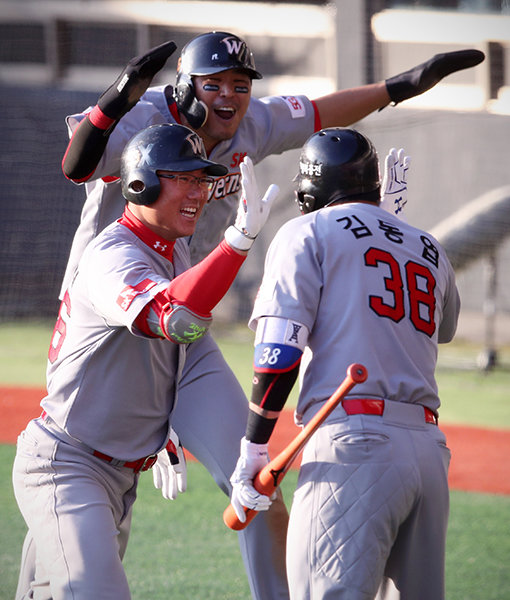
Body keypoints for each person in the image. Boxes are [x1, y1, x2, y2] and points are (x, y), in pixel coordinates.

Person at [16, 32, 478, 599]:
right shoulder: (147, 126)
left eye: (240, 84)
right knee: (77, 512)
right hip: (114, 315)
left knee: (256, 483)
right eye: (214, 85)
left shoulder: (248, 127)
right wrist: (118, 99)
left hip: (184, 323)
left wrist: (400, 86)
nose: (230, 97)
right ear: (184, 90)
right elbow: (77, 164)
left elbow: (318, 112)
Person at [12, 122, 278, 599]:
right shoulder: (112, 255)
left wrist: (169, 423)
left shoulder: (169, 244)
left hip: (114, 477)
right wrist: (236, 243)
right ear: (141, 183)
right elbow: (174, 321)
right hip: (66, 468)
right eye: (185, 177)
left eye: (203, 179)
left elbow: (178, 345)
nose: (200, 191)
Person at [229, 127, 460, 599]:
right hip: (428, 454)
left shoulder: (304, 231)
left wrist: (254, 447)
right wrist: (390, 229)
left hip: (354, 446)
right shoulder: (429, 245)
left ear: (311, 189)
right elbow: (443, 326)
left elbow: (279, 350)